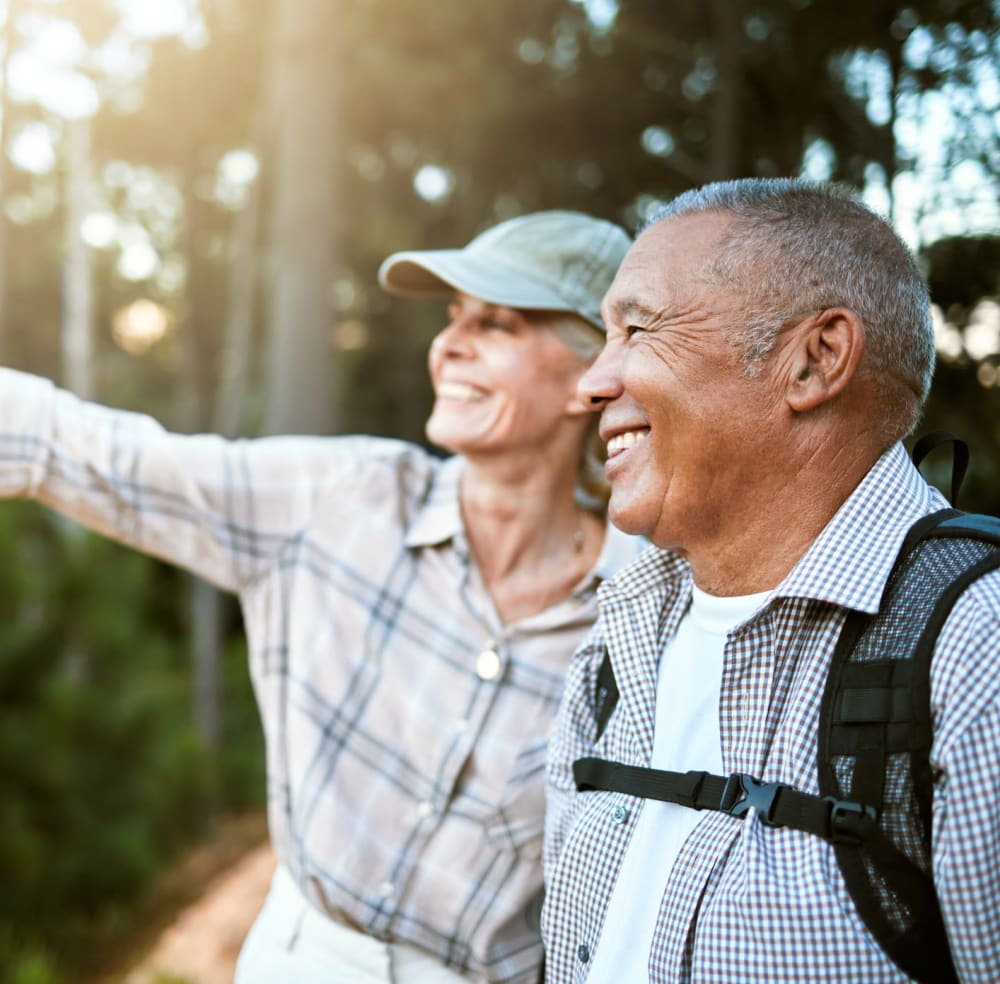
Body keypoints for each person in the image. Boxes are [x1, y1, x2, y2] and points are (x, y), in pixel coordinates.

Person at [0, 210, 645, 983]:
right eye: (453, 319)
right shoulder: (340, 498)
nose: (450, 345)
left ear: (592, 378)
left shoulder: (648, 602)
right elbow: (108, 458)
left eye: (498, 323)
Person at [541, 179, 1000, 982]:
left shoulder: (977, 647)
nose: (590, 385)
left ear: (814, 360)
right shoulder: (620, 635)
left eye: (638, 329)